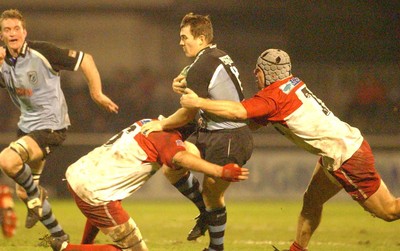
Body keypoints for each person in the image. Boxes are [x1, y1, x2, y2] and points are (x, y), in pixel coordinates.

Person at [180, 48, 400, 251]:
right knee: (312, 201)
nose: (255, 76)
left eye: (257, 72)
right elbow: (253, 121)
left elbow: (239, 113)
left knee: (389, 211)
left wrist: (199, 102)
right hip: (340, 149)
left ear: (263, 72)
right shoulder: (291, 84)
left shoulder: (273, 98)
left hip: (346, 156)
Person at [0, 8, 119, 243]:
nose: (12, 33)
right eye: (7, 29)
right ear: (2, 35)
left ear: (24, 32)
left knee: (6, 161)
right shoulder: (4, 63)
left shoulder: (43, 52)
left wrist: (96, 93)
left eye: (16, 28)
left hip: (51, 127)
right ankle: (59, 236)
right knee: (24, 191)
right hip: (26, 128)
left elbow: (87, 60)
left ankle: (37, 196)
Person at [141, 12, 253, 251]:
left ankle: (215, 248)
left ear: (201, 38)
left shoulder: (201, 65)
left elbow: (187, 113)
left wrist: (161, 124)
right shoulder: (216, 56)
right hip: (210, 131)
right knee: (172, 168)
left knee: (213, 195)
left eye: (184, 37)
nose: (181, 43)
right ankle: (205, 212)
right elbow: (200, 81)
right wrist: (184, 79)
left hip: (230, 136)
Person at [49, 118, 249, 251]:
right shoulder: (169, 138)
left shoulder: (150, 122)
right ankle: (66, 248)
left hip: (79, 173)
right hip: (93, 191)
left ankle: (85, 245)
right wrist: (219, 170)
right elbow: (180, 158)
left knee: (104, 207)